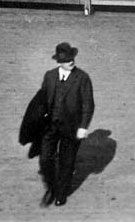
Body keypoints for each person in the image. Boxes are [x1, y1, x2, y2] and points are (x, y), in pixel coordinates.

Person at [31, 41, 95, 206]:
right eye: (67, 59)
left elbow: (88, 104)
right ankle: (52, 187)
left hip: (71, 127)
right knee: (45, 159)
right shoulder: (49, 76)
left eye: (72, 58)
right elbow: (42, 99)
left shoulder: (82, 78)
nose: (71, 61)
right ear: (59, 62)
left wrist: (83, 127)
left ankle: (61, 193)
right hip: (50, 126)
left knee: (67, 162)